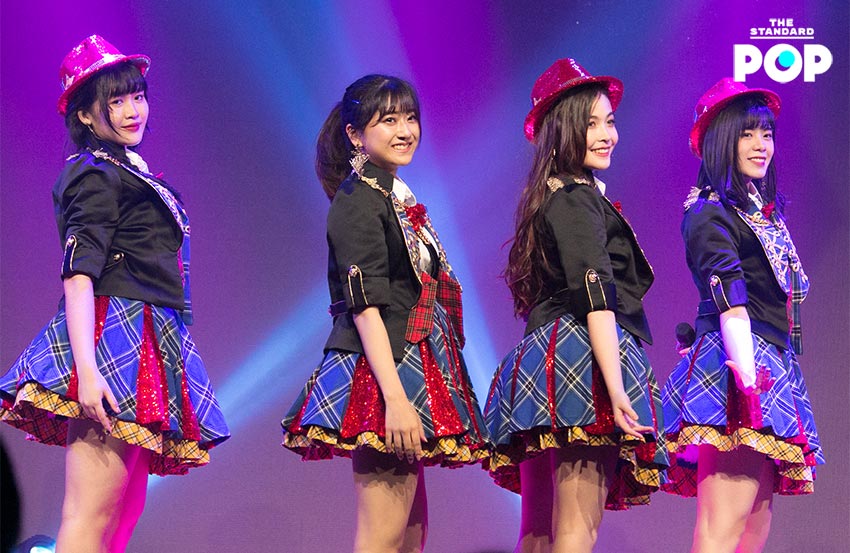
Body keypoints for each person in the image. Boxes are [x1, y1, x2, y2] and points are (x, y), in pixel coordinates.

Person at [0, 35, 229, 552]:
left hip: (147, 334)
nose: (133, 110)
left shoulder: (126, 170)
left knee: (123, 516)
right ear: (85, 114)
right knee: (89, 514)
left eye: (138, 97)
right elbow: (79, 275)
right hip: (114, 337)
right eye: (116, 100)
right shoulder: (95, 172)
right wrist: (86, 370)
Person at [281, 74, 489, 553]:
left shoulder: (394, 196)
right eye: (389, 120)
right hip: (381, 372)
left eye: (410, 118)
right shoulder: (357, 201)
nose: (405, 130)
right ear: (355, 135)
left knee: (410, 534)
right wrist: (395, 399)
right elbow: (365, 307)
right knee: (383, 536)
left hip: (407, 362)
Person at [483, 58, 668, 553]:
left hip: (545, 359)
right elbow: (597, 297)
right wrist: (616, 388)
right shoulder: (576, 197)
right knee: (575, 531)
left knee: (539, 532)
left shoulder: (551, 195)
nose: (607, 135)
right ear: (564, 129)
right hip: (582, 359)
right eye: (592, 124)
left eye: (610, 121)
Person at [661, 78, 823, 553]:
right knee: (722, 526)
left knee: (753, 529)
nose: (760, 145)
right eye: (746, 134)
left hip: (768, 359)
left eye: (766, 134)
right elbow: (731, 302)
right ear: (720, 142)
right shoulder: (710, 212)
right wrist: (748, 382)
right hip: (737, 365)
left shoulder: (758, 214)